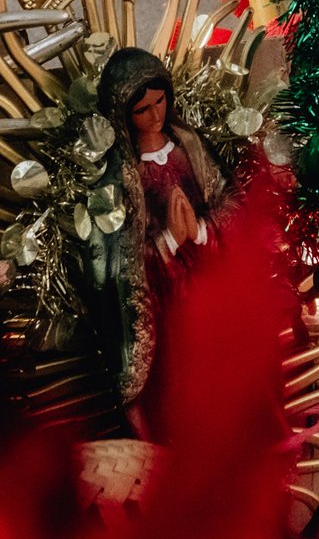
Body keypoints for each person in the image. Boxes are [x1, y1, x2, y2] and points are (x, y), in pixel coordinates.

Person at [96, 47, 225, 429]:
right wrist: (168, 240)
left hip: (210, 272)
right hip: (164, 296)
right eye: (142, 110)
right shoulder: (122, 173)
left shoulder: (190, 146)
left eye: (160, 101)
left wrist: (201, 231)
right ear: (123, 115)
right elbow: (117, 255)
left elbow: (228, 199)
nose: (156, 115)